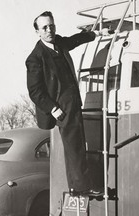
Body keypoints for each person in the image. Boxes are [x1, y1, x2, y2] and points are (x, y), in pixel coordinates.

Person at [25, 11, 109, 196]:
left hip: (73, 102)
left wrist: (95, 34)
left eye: (52, 26)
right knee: (75, 146)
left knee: (78, 142)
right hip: (60, 107)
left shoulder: (59, 43)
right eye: (44, 27)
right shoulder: (35, 58)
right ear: (38, 32)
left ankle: (79, 185)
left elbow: (74, 40)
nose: (49, 30)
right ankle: (81, 188)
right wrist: (53, 109)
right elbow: (35, 91)